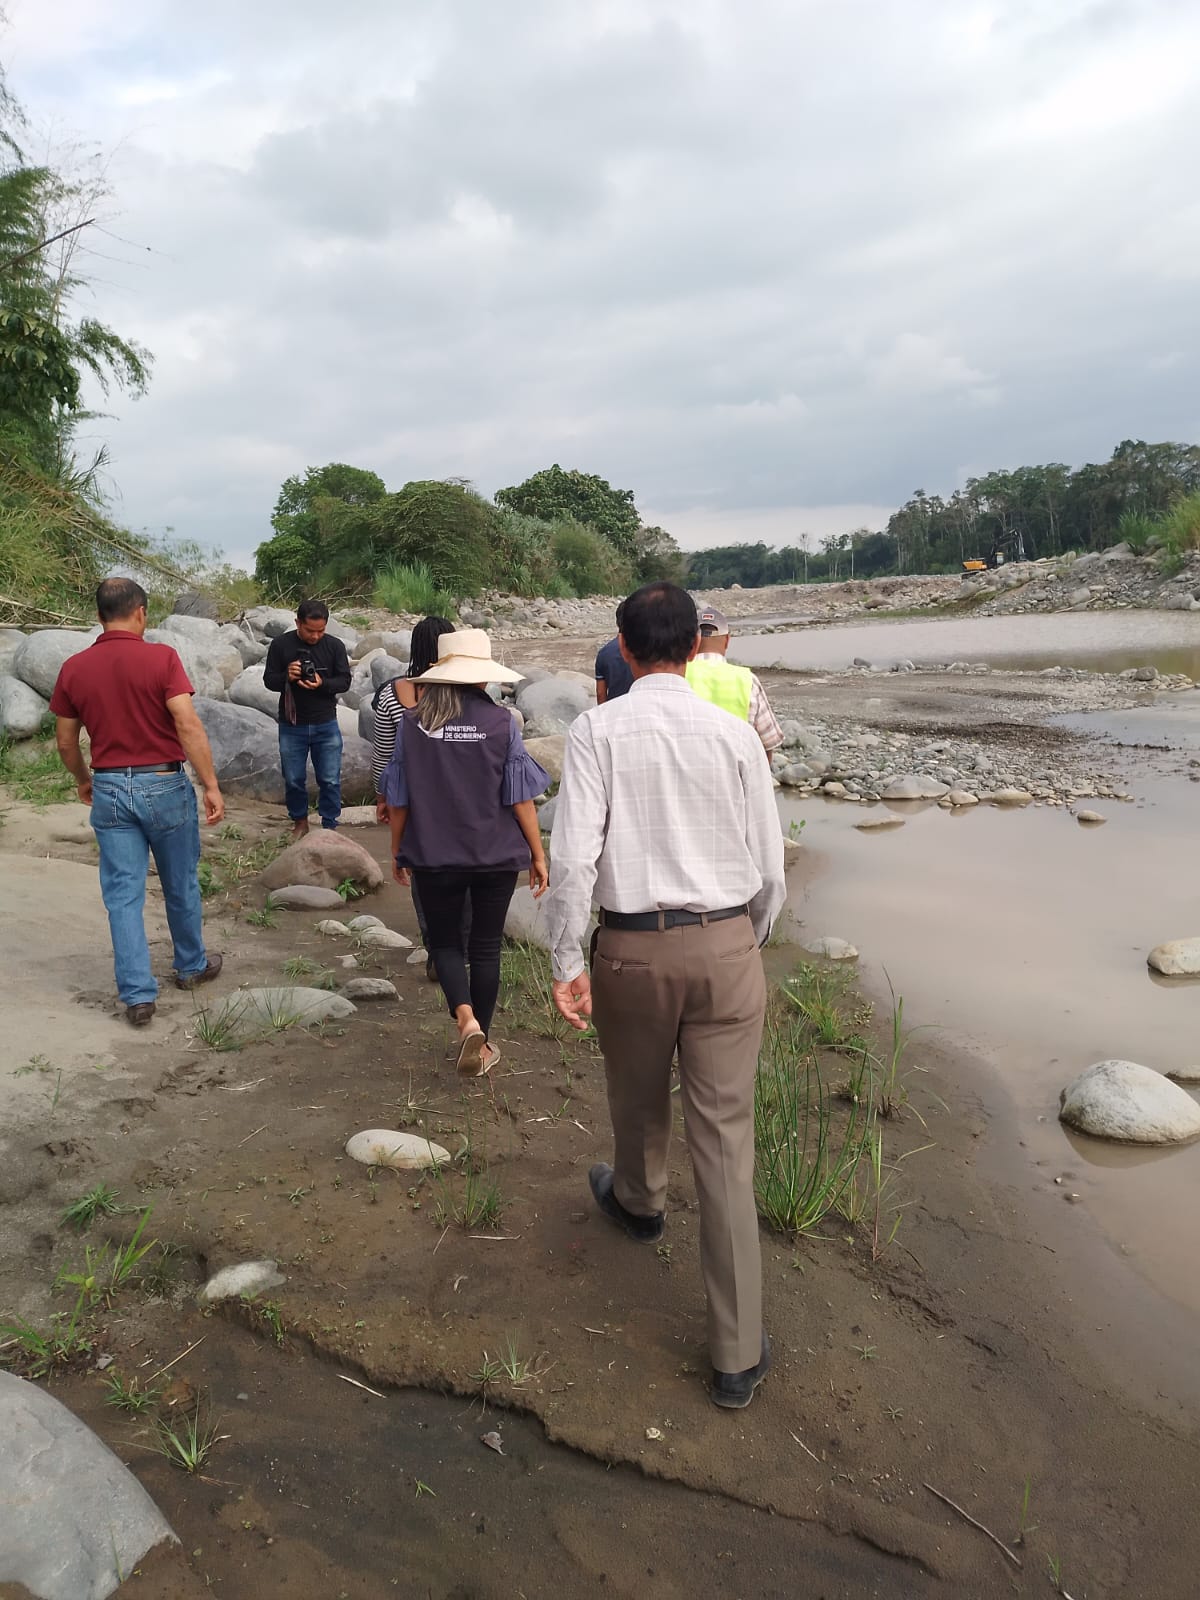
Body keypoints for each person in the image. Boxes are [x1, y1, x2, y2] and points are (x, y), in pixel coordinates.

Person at [543, 581, 786, 1410]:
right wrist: (744, 940)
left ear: (624, 645)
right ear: (695, 646)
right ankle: (735, 1354)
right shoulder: (734, 733)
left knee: (637, 1090)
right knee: (725, 1141)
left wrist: (566, 958)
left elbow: (575, 857)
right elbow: (769, 862)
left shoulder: (596, 731)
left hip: (633, 948)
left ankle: (641, 1202)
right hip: (726, 941)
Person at [49, 577, 226, 1028]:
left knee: (123, 894)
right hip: (163, 783)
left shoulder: (74, 668)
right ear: (141, 612)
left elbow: (66, 742)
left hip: (109, 787)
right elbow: (187, 724)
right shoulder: (162, 658)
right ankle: (190, 966)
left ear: (99, 616)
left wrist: (84, 779)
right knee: (180, 882)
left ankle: (137, 995)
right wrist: (210, 784)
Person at [381, 629, 550, 1076]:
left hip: (434, 853)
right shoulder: (502, 722)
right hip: (496, 855)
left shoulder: (412, 724)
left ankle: (465, 1020)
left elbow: (399, 798)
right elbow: (520, 799)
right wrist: (538, 854)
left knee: (445, 942)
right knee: (487, 948)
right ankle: (484, 1041)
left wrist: (398, 849)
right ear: (482, 676)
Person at [371, 615, 462, 979]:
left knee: (422, 874)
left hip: (412, 798)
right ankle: (461, 944)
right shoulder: (466, 692)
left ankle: (436, 949)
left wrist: (382, 796)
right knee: (464, 869)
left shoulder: (392, 694)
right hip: (458, 796)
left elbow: (383, 754)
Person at [263, 599, 352, 839]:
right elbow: (269, 680)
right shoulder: (281, 645)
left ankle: (330, 826)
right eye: (310, 630)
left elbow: (344, 681)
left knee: (330, 779)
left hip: (326, 722)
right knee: (293, 778)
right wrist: (287, 676)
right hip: (292, 723)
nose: (315, 636)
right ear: (297, 623)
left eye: (320, 631)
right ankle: (300, 821)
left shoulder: (334, 646)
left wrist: (323, 683)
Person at [685, 605, 784, 757]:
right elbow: (768, 744)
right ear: (727, 640)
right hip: (736, 770)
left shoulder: (678, 675)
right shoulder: (748, 681)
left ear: (692, 640)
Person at [594, 601, 633, 704]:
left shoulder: (603, 653)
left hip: (614, 708)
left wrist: (603, 711)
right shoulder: (644, 650)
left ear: (617, 622)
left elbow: (600, 693)